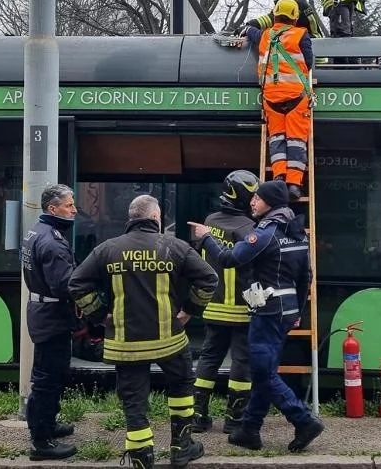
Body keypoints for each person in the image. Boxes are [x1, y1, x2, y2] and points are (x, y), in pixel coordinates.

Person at [68, 194, 218, 469]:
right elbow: (209, 278)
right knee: (182, 385)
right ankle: (181, 447)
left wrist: (100, 315)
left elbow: (76, 283)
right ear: (155, 217)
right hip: (169, 341)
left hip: (126, 344)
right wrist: (189, 311)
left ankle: (140, 455)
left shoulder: (107, 249)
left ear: (130, 218)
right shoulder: (175, 247)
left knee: (134, 398)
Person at [187, 179, 324, 453]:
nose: (253, 201)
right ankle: (249, 430)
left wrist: (206, 238)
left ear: (269, 203)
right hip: (286, 312)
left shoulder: (265, 234)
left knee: (262, 373)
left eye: (257, 198)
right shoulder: (296, 231)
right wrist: (298, 311)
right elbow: (305, 276)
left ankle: (304, 420)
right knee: (265, 371)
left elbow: (228, 259)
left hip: (268, 312)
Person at [191, 170, 260, 434]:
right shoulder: (251, 229)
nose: (255, 201)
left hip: (213, 306)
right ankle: (234, 419)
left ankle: (199, 416)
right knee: (242, 363)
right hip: (242, 309)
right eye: (253, 196)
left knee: (209, 358)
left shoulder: (209, 222)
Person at [20, 183, 80, 461]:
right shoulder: (53, 241)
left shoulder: (36, 231)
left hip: (42, 312)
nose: (74, 210)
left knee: (49, 375)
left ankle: (48, 425)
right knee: (48, 379)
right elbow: (64, 285)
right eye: (69, 205)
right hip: (52, 317)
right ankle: (41, 442)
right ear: (52, 208)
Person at [244, 0, 314, 201]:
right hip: (296, 98)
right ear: (294, 17)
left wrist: (246, 30)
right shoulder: (301, 35)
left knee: (277, 140)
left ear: (275, 15)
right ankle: (293, 185)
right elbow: (308, 63)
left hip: (271, 99)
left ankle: (278, 177)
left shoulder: (265, 35)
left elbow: (251, 32)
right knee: (296, 141)